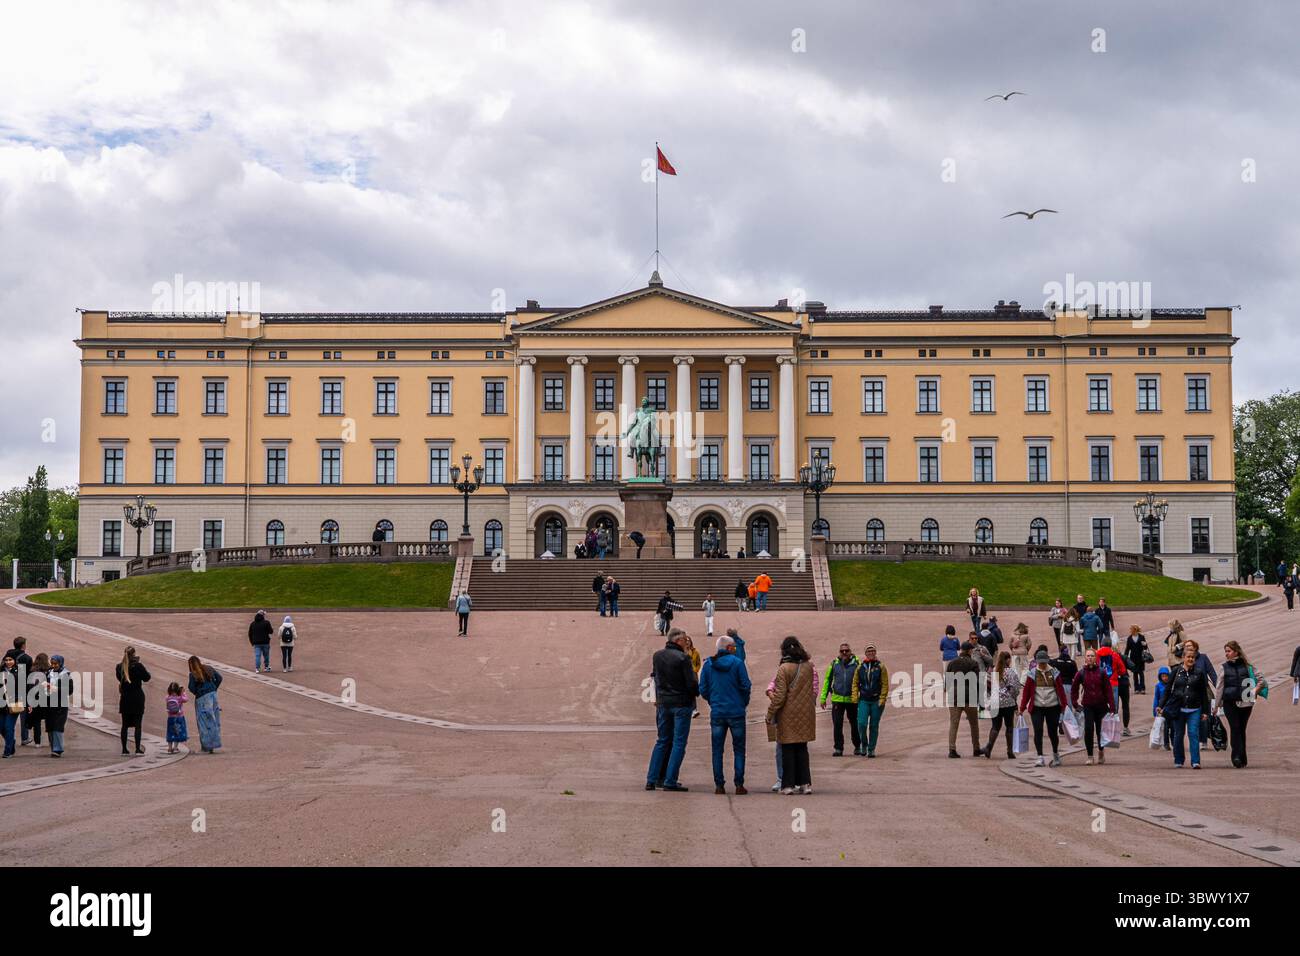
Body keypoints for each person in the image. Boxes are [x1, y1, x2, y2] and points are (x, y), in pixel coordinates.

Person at [698, 633, 751, 794]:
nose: (735, 649)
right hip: (736, 711)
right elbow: (745, 686)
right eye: (734, 646)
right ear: (729, 648)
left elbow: (703, 689)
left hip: (718, 711)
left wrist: (712, 701)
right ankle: (739, 784)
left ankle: (719, 785)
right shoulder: (737, 663)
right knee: (739, 749)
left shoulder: (708, 665)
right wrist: (743, 702)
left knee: (717, 750)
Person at [645, 628, 698, 791]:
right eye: (684, 640)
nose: (686, 642)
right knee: (679, 742)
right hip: (681, 703)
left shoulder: (658, 656)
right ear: (677, 641)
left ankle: (652, 779)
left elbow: (656, 677)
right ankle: (670, 780)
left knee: (662, 740)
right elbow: (691, 684)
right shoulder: (683, 658)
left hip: (663, 703)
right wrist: (696, 692)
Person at [767, 636, 817, 794]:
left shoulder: (784, 668)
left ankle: (787, 785)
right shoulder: (809, 667)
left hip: (787, 714)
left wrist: (770, 713)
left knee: (787, 749)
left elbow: (780, 696)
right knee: (802, 748)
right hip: (806, 713)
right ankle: (805, 783)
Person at [1160, 646, 1216, 769]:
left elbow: (1203, 693)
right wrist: (1161, 705)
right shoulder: (1176, 671)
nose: (1190, 659)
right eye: (1188, 657)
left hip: (1195, 708)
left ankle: (1195, 761)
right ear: (1183, 658)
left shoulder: (1199, 673)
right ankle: (1179, 760)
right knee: (1178, 735)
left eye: (1193, 657)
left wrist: (1205, 711)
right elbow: (1168, 690)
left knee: (1193, 733)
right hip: (1178, 708)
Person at [1216, 640, 1265, 768]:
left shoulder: (1247, 666)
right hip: (1229, 702)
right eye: (1225, 651)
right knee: (1235, 727)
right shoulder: (1224, 667)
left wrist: (1255, 691)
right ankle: (1236, 756)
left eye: (1229, 651)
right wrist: (1216, 705)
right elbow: (1219, 687)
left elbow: (1261, 680)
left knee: (1241, 728)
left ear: (1236, 652)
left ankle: (1243, 757)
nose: (1226, 654)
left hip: (1246, 702)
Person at [1019, 649, 1067, 767]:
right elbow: (1026, 692)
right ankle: (1040, 756)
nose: (1042, 665)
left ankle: (1056, 754)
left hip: (1053, 706)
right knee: (1038, 731)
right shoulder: (1032, 673)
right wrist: (1022, 707)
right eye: (1040, 662)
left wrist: (1064, 706)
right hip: (1037, 707)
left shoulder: (1054, 672)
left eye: (1044, 662)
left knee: (1052, 732)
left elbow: (1060, 690)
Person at [1072, 648, 1116, 765]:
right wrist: (1075, 703)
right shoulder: (1081, 673)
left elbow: (1108, 691)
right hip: (1088, 706)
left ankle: (1101, 751)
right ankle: (1090, 756)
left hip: (1101, 705)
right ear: (1085, 658)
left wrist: (1112, 707)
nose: (1090, 658)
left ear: (1095, 658)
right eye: (1088, 656)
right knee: (1089, 729)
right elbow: (1074, 688)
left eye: (1092, 656)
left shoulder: (1102, 672)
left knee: (1100, 731)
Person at [819, 643, 861, 757]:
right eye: (842, 651)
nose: (844, 653)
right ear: (839, 652)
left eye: (846, 651)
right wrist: (823, 698)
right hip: (837, 699)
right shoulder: (834, 664)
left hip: (852, 699)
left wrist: (860, 696)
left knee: (854, 723)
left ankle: (857, 745)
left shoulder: (857, 664)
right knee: (837, 724)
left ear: (850, 652)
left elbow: (861, 680)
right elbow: (827, 680)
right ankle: (838, 748)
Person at [945, 643, 982, 758]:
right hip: (969, 697)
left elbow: (948, 682)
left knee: (953, 724)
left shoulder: (952, 663)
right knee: (974, 725)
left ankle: (952, 749)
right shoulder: (973, 663)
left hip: (954, 696)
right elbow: (977, 682)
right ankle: (976, 748)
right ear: (970, 651)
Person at [983, 651, 1021, 760]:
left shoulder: (992, 671)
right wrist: (1013, 698)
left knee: (995, 726)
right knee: (1009, 726)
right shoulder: (1011, 672)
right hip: (1008, 702)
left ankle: (989, 747)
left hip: (995, 702)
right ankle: (1009, 751)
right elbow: (1015, 688)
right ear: (1008, 660)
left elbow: (987, 687)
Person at [854, 644, 888, 758]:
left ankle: (871, 748)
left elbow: (885, 684)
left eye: (873, 651)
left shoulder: (881, 667)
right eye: (869, 651)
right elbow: (855, 683)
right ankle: (864, 743)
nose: (871, 653)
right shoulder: (860, 667)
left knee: (874, 725)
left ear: (875, 652)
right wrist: (855, 697)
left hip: (876, 700)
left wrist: (882, 698)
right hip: (863, 699)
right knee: (861, 724)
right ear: (865, 653)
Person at [116, 647, 151, 756]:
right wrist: (138, 664)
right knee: (138, 725)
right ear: (134, 654)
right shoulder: (138, 666)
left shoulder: (119, 667)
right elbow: (147, 678)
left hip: (125, 698)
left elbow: (119, 678)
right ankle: (137, 748)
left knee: (125, 725)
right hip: (137, 697)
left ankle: (124, 749)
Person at [45, 655, 73, 758]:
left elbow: (69, 690)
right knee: (50, 727)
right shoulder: (49, 672)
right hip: (49, 703)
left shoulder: (66, 674)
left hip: (61, 704)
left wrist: (54, 688)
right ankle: (53, 747)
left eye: (55, 664)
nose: (53, 666)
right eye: (52, 663)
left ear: (60, 663)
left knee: (58, 726)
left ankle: (58, 749)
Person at [8, 637, 32, 746]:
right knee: (23, 715)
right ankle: (24, 738)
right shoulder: (27, 658)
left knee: (11, 714)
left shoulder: (8, 655)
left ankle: (9, 736)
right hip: (22, 689)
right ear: (23, 645)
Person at [0, 654, 23, 758]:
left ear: (15, 661)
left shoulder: (19, 672)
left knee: (9, 728)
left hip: (14, 703)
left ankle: (7, 751)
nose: (8, 662)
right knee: (1, 728)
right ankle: (11, 742)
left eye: (10, 660)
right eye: (6, 660)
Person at [1096, 640, 1128, 714]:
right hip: (1113, 682)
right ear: (1110, 646)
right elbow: (1123, 670)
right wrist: (1116, 673)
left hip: (1101, 683)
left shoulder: (1096, 654)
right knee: (1114, 704)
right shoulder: (1114, 655)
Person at [26, 653, 48, 748]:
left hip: (34, 698)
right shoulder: (47, 672)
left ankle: (37, 742)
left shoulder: (32, 672)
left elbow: (29, 687)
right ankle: (52, 740)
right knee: (49, 720)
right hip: (45, 699)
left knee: (36, 722)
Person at [1123, 625, 1150, 694]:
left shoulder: (1141, 637)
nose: (1130, 631)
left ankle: (1143, 688)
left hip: (1141, 658)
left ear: (1135, 630)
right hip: (1133, 658)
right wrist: (1124, 657)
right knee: (1135, 674)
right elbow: (1127, 649)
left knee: (1141, 673)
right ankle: (1136, 688)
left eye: (1131, 630)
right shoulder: (1129, 638)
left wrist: (1145, 644)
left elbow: (1145, 648)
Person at [165, 682, 189, 754]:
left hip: (170, 718)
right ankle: (175, 748)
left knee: (170, 732)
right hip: (179, 717)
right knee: (177, 732)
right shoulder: (180, 698)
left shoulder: (167, 697)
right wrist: (183, 693)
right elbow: (186, 699)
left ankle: (169, 748)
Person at [1152, 666, 1172, 750]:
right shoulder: (1158, 686)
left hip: (1171, 708)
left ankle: (1174, 741)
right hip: (1162, 709)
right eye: (1163, 676)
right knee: (1166, 727)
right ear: (1160, 677)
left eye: (1166, 676)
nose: (1165, 678)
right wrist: (1155, 709)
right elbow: (1156, 698)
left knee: (1173, 727)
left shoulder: (1172, 685)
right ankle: (1166, 743)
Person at [684, 635, 703, 718]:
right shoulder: (681, 652)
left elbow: (698, 663)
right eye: (686, 640)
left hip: (693, 674)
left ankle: (694, 710)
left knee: (692, 692)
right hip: (683, 675)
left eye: (689, 640)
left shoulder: (695, 652)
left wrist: (695, 670)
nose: (687, 642)